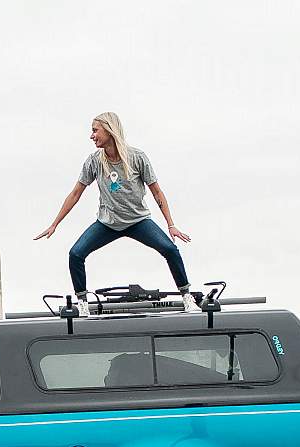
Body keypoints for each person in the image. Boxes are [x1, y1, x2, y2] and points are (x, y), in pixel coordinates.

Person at [34, 111, 199, 313]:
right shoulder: (94, 161)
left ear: (109, 130)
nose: (91, 136)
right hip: (107, 223)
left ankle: (187, 297)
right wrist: (54, 224)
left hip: (138, 221)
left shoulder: (137, 158)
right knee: (76, 254)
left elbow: (157, 192)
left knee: (170, 250)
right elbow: (76, 193)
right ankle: (83, 304)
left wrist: (170, 224)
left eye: (95, 130)